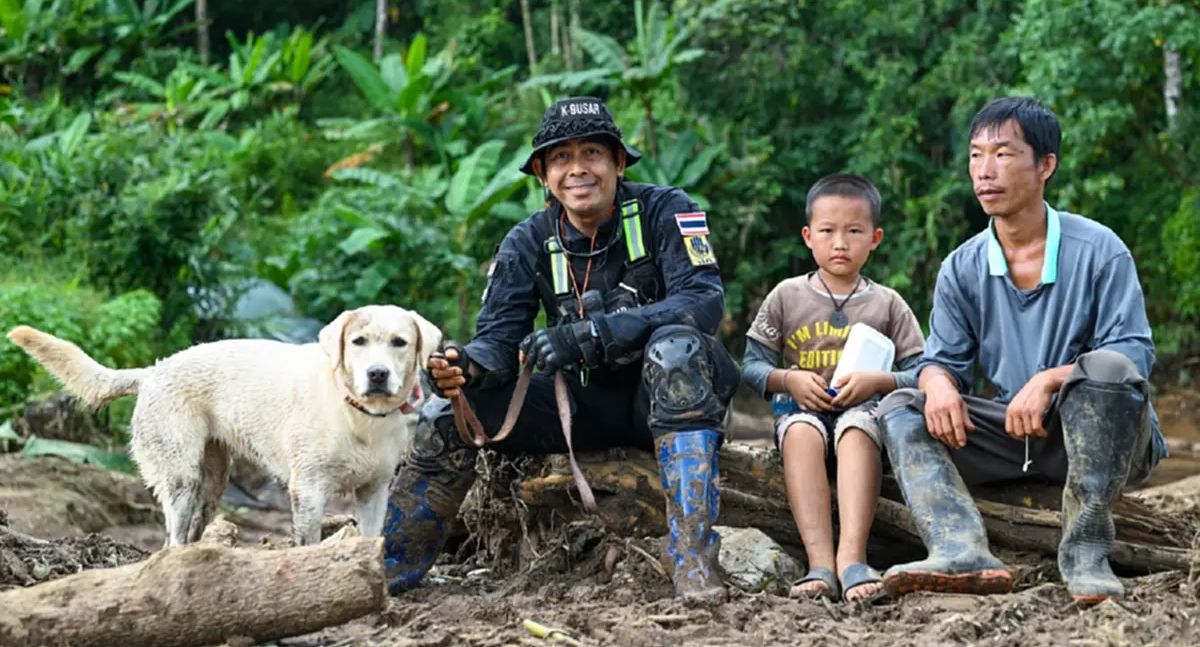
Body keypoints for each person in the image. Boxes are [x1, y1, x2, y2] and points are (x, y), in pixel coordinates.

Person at [380, 96, 741, 604]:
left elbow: (703, 301)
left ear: (618, 162)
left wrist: (592, 334)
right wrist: (469, 366)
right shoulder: (526, 241)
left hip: (672, 398)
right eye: (560, 158)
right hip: (582, 404)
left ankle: (693, 560)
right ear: (542, 174)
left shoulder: (668, 210)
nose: (577, 170)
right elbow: (500, 339)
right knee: (446, 414)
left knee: (676, 348)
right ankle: (389, 573)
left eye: (592, 152)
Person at [875, 96, 1169, 604]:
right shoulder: (961, 266)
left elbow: (1134, 356)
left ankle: (1087, 554)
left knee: (1108, 367)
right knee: (902, 406)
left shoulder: (1099, 249)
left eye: (1003, 155)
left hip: (1109, 436)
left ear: (1045, 165)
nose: (984, 171)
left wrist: (1049, 379)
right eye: (975, 155)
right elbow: (943, 361)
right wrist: (937, 382)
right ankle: (960, 548)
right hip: (1017, 435)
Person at [742, 174, 925, 602]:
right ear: (808, 236)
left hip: (864, 415)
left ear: (875, 238)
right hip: (800, 415)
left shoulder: (887, 303)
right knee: (802, 430)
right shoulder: (787, 295)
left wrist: (879, 382)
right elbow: (749, 366)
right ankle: (819, 563)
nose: (840, 242)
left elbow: (924, 371)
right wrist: (788, 379)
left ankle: (852, 558)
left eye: (854, 231)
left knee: (859, 428)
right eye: (827, 231)